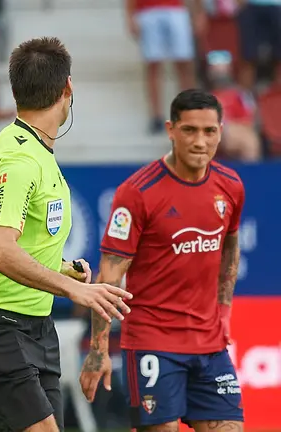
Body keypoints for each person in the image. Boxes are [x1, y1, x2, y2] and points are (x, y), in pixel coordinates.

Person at [0, 36, 133, 432]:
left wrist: (63, 269)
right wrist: (75, 291)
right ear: (68, 87)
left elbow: (18, 244)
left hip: (34, 325)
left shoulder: (33, 150)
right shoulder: (18, 157)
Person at [79, 89, 245, 431]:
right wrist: (98, 349)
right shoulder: (138, 193)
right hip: (154, 343)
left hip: (210, 344)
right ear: (171, 130)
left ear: (220, 131)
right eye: (190, 130)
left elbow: (230, 246)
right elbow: (109, 277)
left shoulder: (230, 186)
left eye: (209, 131)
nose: (200, 141)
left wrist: (224, 310)